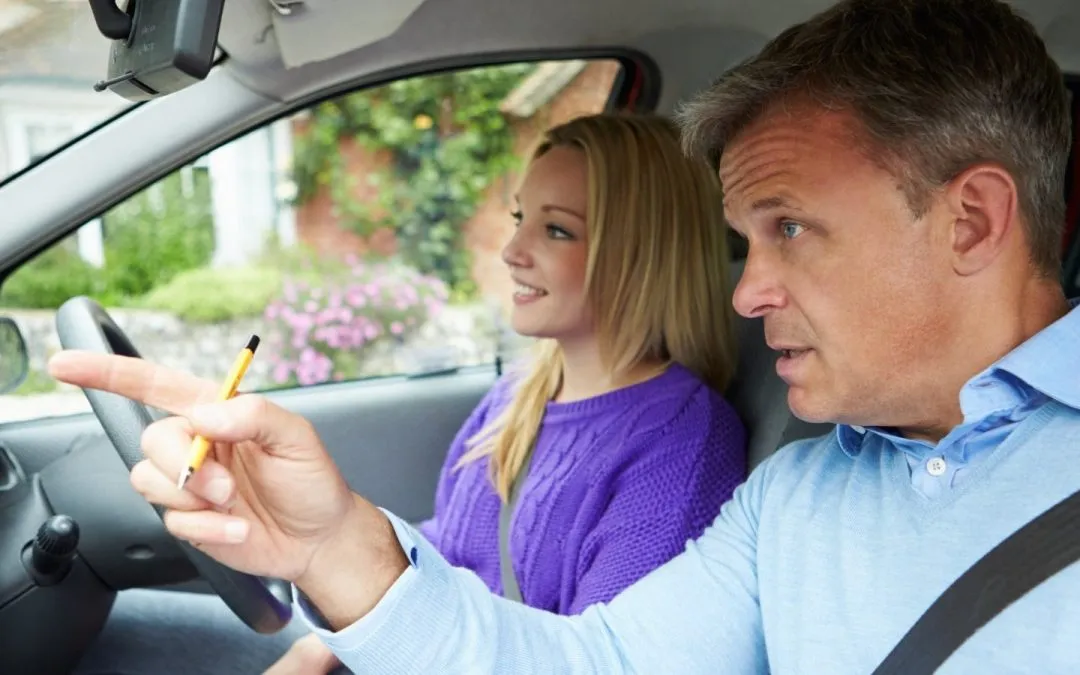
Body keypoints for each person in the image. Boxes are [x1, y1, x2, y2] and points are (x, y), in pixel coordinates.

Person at [50, 0, 1080, 671]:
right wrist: (336, 549)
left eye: (791, 230)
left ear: (972, 222)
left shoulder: (697, 447)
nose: (747, 293)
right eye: (743, 242)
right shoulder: (798, 495)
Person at [70, 113, 749, 675]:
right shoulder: (523, 393)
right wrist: (319, 641)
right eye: (519, 218)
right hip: (408, 651)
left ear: (641, 253)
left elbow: (606, 658)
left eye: (556, 229)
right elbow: (449, 543)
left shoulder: (680, 442)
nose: (511, 248)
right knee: (119, 629)